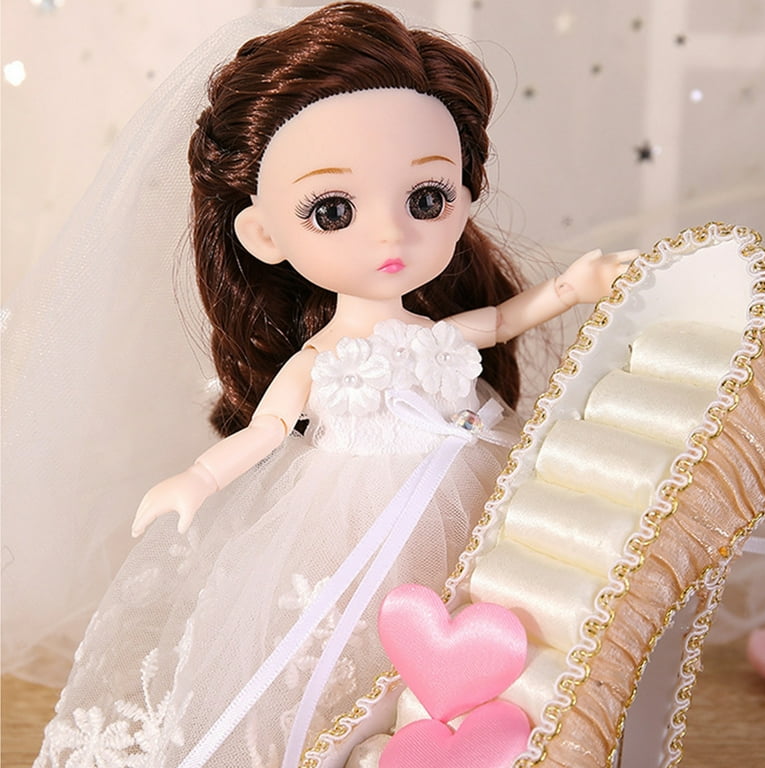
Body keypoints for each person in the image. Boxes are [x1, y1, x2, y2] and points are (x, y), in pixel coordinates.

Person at [24, 4, 627, 767]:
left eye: (427, 199)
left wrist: (573, 287)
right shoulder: (323, 358)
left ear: (465, 194)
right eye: (333, 211)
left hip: (478, 479)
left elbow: (505, 318)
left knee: (511, 615)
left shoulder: (436, 332)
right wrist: (198, 479)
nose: (390, 234)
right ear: (264, 234)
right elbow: (268, 429)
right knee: (343, 638)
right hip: (351, 512)